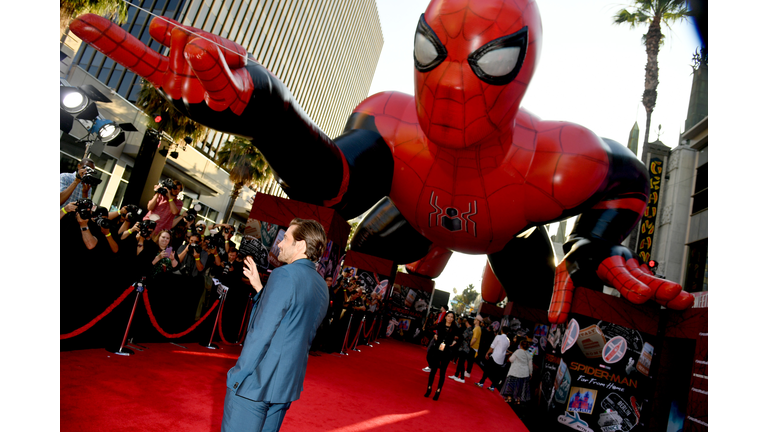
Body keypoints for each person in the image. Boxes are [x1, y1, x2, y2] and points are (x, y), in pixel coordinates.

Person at [222, 218, 329, 432]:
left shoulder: (284, 274)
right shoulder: (321, 286)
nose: (279, 243)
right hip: (286, 385)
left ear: (299, 245)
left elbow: (262, 333)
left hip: (256, 382)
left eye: (285, 238)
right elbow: (293, 325)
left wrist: (238, 375)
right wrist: (262, 290)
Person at [424, 310, 461, 401]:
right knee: (433, 370)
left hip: (447, 351)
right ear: (445, 317)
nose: (450, 318)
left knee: (442, 372)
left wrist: (455, 342)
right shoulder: (440, 325)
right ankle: (429, 388)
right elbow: (428, 328)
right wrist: (434, 335)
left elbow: (461, 337)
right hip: (437, 350)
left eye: (452, 317)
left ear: (453, 319)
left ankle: (438, 391)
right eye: (448, 316)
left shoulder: (455, 328)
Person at [475, 326, 511, 392]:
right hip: (501, 359)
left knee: (487, 370)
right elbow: (505, 350)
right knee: (496, 373)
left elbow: (492, 346)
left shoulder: (498, 337)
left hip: (495, 356)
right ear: (507, 333)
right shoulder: (508, 341)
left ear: (502, 330)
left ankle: (481, 382)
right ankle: (492, 386)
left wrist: (487, 353)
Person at [501, 338, 533, 404]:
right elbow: (530, 365)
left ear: (521, 345)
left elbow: (511, 359)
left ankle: (509, 398)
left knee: (511, 385)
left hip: (515, 371)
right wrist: (530, 373)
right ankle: (518, 400)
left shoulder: (518, 351)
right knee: (520, 387)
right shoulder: (529, 354)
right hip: (524, 373)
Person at [450, 318, 475, 383]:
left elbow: (462, 337)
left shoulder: (468, 330)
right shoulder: (471, 330)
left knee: (461, 363)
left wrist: (456, 338)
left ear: (468, 323)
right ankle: (456, 375)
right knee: (460, 362)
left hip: (464, 348)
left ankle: (462, 378)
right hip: (465, 348)